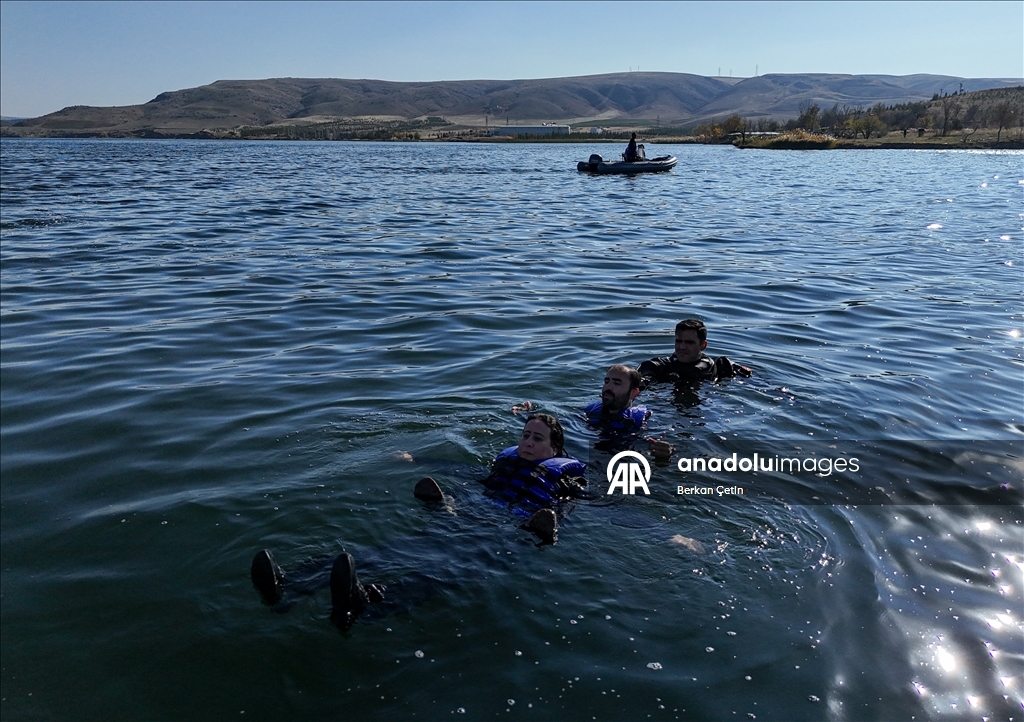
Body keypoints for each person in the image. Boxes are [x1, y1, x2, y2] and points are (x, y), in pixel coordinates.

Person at [251, 414, 586, 629]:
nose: (527, 442)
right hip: (471, 519)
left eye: (537, 438)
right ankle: (291, 584)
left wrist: (545, 528)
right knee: (395, 548)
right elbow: (469, 474)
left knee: (440, 571)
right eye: (525, 435)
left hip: (505, 536)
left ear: (555, 449)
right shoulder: (507, 464)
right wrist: (419, 460)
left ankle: (365, 602)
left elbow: (583, 507)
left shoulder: (565, 480)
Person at [582, 364, 672, 460]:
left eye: (617, 383)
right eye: (606, 381)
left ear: (634, 393)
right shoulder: (590, 412)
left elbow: (654, 442)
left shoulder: (641, 421)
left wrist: (664, 452)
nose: (608, 387)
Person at [639, 319, 752, 384]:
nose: (682, 347)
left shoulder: (719, 367)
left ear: (703, 345)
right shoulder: (659, 367)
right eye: (679, 341)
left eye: (689, 342)